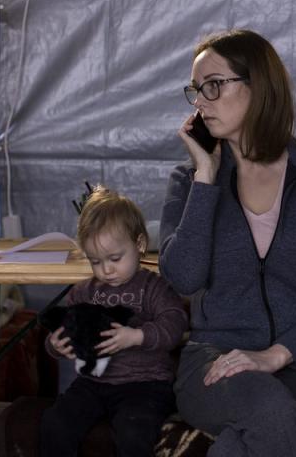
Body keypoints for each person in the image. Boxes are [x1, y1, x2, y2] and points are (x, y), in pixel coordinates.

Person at [159, 29, 296, 457]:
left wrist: (277, 354)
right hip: (212, 364)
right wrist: (206, 178)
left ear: (258, 86)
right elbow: (183, 278)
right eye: (196, 90)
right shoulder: (189, 181)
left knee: (243, 440)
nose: (200, 101)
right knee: (268, 406)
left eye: (213, 85)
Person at [41, 186, 188, 457]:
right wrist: (55, 345)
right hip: (93, 385)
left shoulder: (153, 288)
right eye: (95, 261)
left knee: (134, 434)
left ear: (140, 244)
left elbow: (175, 324)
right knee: (55, 424)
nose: (106, 270)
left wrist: (137, 336)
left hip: (146, 386)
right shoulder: (85, 291)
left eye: (115, 259)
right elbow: (63, 331)